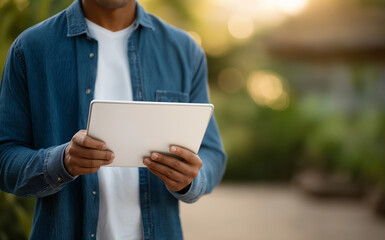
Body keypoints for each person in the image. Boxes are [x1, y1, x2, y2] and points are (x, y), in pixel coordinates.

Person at [0, 0, 226, 239]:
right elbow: (5, 157)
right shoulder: (31, 49)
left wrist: (189, 180)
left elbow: (212, 153)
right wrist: (62, 162)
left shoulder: (184, 50)